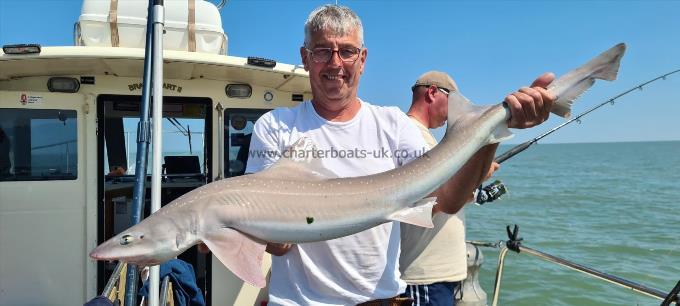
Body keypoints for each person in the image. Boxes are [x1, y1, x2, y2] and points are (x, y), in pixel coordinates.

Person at [245, 5, 555, 305]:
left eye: (347, 51)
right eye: (322, 51)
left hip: (381, 301)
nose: (335, 63)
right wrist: (236, 232)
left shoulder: (393, 125)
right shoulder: (275, 127)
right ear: (305, 57)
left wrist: (492, 135)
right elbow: (280, 246)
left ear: (363, 59)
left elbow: (445, 201)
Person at [400, 71, 500, 305]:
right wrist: (477, 175)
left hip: (436, 277)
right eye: (453, 102)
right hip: (423, 276)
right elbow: (430, 202)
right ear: (433, 92)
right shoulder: (412, 138)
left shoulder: (425, 139)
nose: (454, 113)